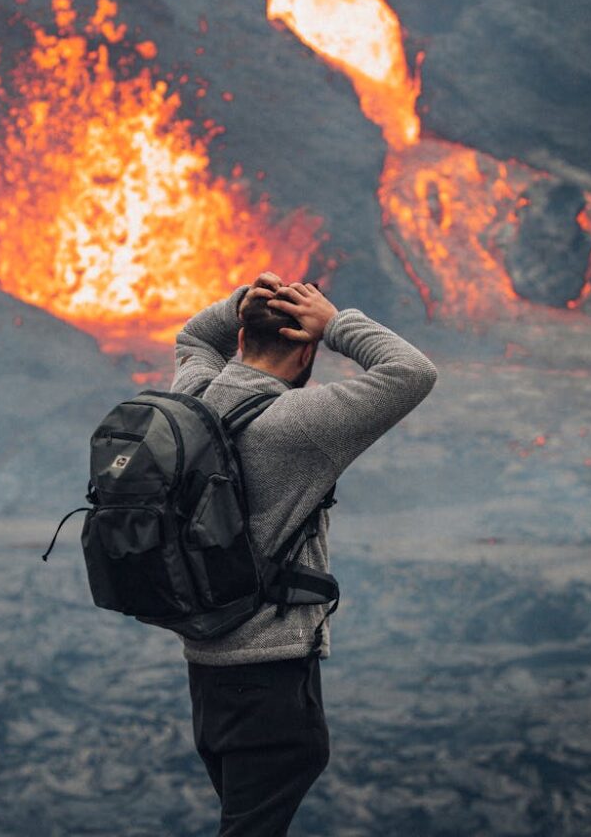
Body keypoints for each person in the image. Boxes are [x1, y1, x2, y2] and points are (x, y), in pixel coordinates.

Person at [171, 272, 437, 836]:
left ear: (242, 336)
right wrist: (337, 321)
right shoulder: (299, 424)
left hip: (206, 669)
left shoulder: (190, 401)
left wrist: (241, 304)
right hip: (269, 672)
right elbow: (412, 371)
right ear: (308, 346)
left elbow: (195, 339)